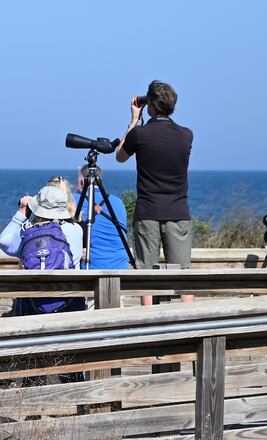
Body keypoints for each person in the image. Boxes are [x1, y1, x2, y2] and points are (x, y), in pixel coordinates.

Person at [115, 80, 193, 305]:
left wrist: (133, 120)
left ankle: (148, 326)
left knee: (145, 274)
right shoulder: (186, 135)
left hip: (148, 211)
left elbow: (120, 156)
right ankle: (191, 325)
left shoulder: (140, 135)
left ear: (150, 104)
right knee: (184, 275)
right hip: (178, 212)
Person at [0, 185, 83, 315]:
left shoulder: (27, 232)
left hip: (32, 302)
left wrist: (22, 212)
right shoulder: (76, 230)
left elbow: (4, 241)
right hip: (70, 300)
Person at [74, 164, 131, 270]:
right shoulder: (118, 202)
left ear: (82, 182)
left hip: (91, 266)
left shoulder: (74, 201)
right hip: (119, 265)